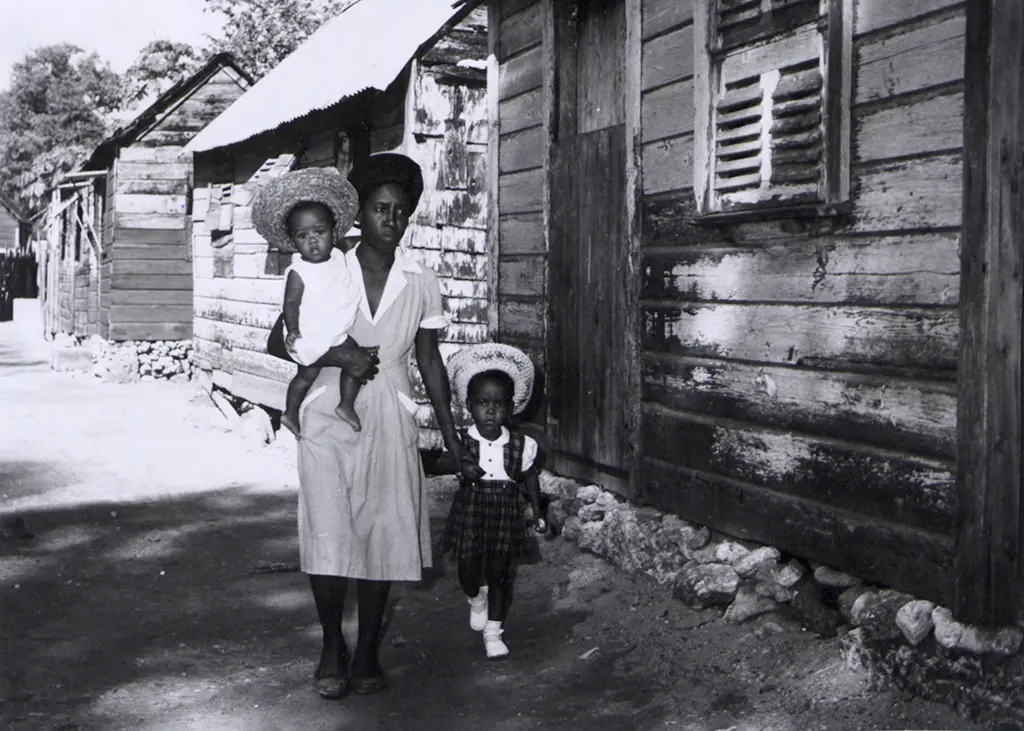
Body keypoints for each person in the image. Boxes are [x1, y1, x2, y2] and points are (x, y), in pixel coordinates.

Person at [265, 153, 474, 699]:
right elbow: (278, 340)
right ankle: (332, 646)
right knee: (330, 529)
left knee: (383, 531)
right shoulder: (329, 263)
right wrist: (340, 356)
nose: (392, 220)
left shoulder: (421, 279)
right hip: (329, 412)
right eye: (382, 208)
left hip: (392, 414)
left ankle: (367, 654)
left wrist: (454, 440)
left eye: (401, 211)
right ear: (360, 215)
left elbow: (430, 361)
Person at [440, 343, 547, 660]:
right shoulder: (462, 441)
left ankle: (494, 633)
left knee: (500, 573)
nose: (490, 410)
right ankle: (475, 598)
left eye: (498, 404)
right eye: (483, 403)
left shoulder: (522, 444)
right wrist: (461, 464)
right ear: (469, 405)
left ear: (510, 407)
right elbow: (441, 463)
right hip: (472, 511)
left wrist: (537, 511)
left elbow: (529, 477)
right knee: (468, 571)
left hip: (505, 514)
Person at [251, 167, 365, 436]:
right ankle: (290, 413)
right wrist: (292, 329)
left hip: (335, 325)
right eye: (303, 236)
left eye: (320, 232)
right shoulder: (299, 271)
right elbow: (290, 304)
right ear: (293, 242)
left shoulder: (339, 256)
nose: (313, 241)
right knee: (306, 374)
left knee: (357, 359)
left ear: (333, 233)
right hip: (311, 330)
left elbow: (357, 249)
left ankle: (346, 404)